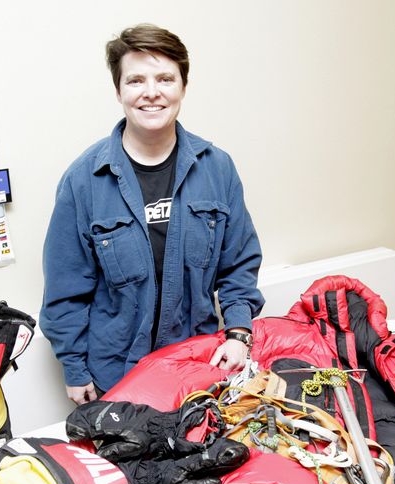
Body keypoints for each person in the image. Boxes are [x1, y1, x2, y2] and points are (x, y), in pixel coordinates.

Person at [41, 24, 264, 405]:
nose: (151, 92)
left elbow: (238, 265)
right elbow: (65, 290)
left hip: (195, 367)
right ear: (118, 91)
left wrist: (239, 333)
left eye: (165, 78)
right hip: (116, 376)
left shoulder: (217, 169)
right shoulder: (84, 180)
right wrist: (74, 369)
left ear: (182, 87)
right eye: (136, 80)